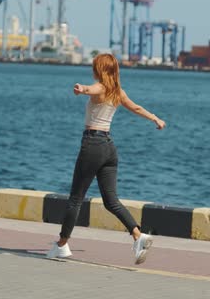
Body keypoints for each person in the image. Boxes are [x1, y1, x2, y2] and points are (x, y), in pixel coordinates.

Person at [46, 53, 167, 264]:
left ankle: (62, 245)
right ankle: (138, 236)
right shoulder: (118, 92)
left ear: (100, 70)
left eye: (94, 67)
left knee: (75, 199)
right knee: (111, 201)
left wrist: (81, 88)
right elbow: (136, 108)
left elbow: (90, 89)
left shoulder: (101, 87)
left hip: (93, 145)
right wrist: (155, 118)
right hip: (109, 148)